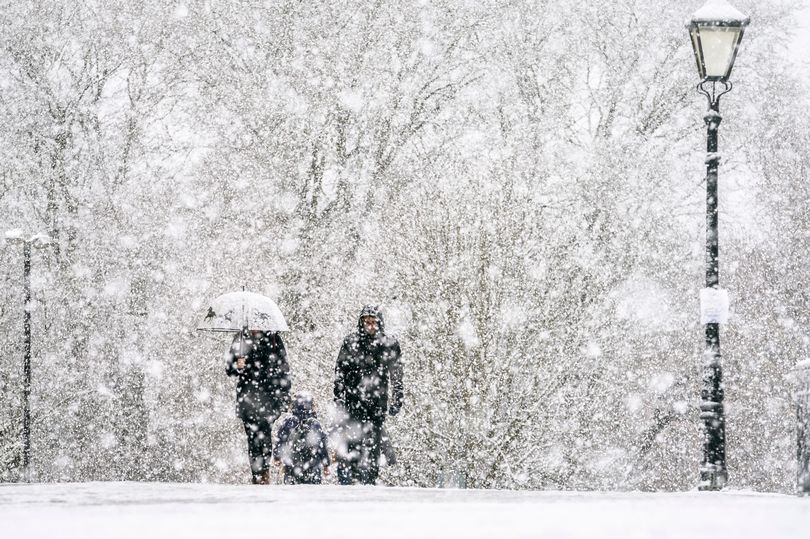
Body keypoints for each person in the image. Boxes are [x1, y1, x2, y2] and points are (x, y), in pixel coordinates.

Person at [333, 305, 403, 485]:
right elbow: (340, 371)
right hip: (353, 400)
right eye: (367, 322)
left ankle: (370, 478)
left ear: (379, 323)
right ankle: (355, 475)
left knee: (374, 441)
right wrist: (339, 397)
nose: (370, 326)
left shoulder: (389, 344)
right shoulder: (351, 342)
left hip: (377, 402)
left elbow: (396, 373)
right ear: (361, 323)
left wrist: (397, 397)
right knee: (354, 440)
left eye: (373, 322)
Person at [225, 329, 291, 484]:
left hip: (269, 398)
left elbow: (284, 369)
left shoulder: (274, 339)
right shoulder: (240, 338)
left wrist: (285, 396)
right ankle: (257, 475)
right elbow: (229, 369)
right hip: (247, 399)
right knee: (253, 439)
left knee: (265, 436)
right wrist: (237, 365)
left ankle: (264, 472)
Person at [274, 392, 331, 485]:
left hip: (291, 466)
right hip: (313, 467)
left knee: (291, 496)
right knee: (313, 496)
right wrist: (326, 464)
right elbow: (322, 445)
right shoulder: (315, 423)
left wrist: (277, 457)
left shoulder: (289, 422)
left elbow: (281, 440)